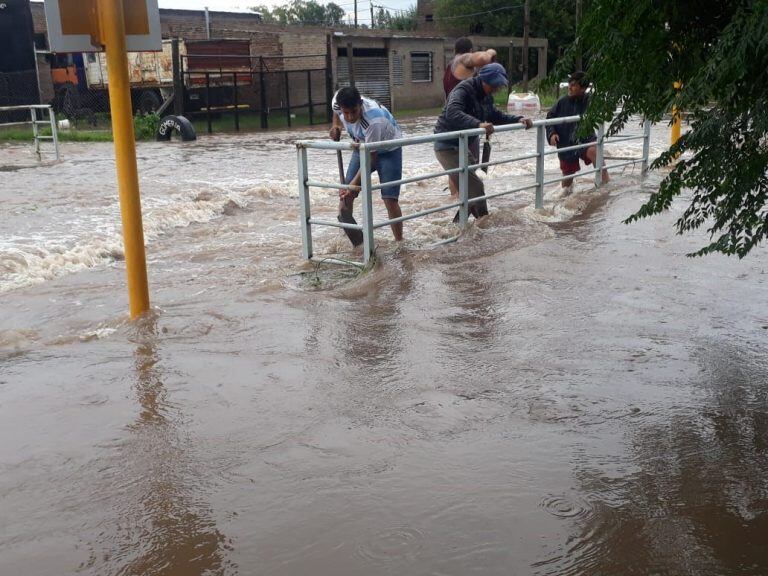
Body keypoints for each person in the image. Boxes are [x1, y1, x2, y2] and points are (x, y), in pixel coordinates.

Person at [434, 63, 533, 220]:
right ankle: (484, 224)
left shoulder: (486, 96)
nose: (496, 89)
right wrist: (478, 124)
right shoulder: (463, 90)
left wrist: (518, 119)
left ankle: (460, 228)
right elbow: (452, 112)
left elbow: (494, 115)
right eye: (494, 85)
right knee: (476, 187)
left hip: (461, 145)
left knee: (471, 191)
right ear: (483, 80)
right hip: (447, 146)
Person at [330, 86, 404, 242]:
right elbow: (336, 112)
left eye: (354, 112)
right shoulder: (338, 102)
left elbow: (371, 159)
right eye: (346, 113)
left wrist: (353, 185)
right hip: (362, 146)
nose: (349, 117)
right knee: (345, 195)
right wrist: (336, 126)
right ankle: (352, 239)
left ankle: (399, 242)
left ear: (360, 104)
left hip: (389, 149)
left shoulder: (373, 121)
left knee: (389, 199)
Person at [546, 71, 609, 197]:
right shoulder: (561, 102)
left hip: (585, 138)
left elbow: (604, 111)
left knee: (594, 152)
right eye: (569, 84)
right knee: (567, 180)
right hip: (565, 143)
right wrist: (552, 134)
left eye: (574, 85)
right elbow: (549, 118)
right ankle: (563, 200)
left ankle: (606, 186)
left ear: (583, 88)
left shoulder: (590, 100)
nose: (569, 87)